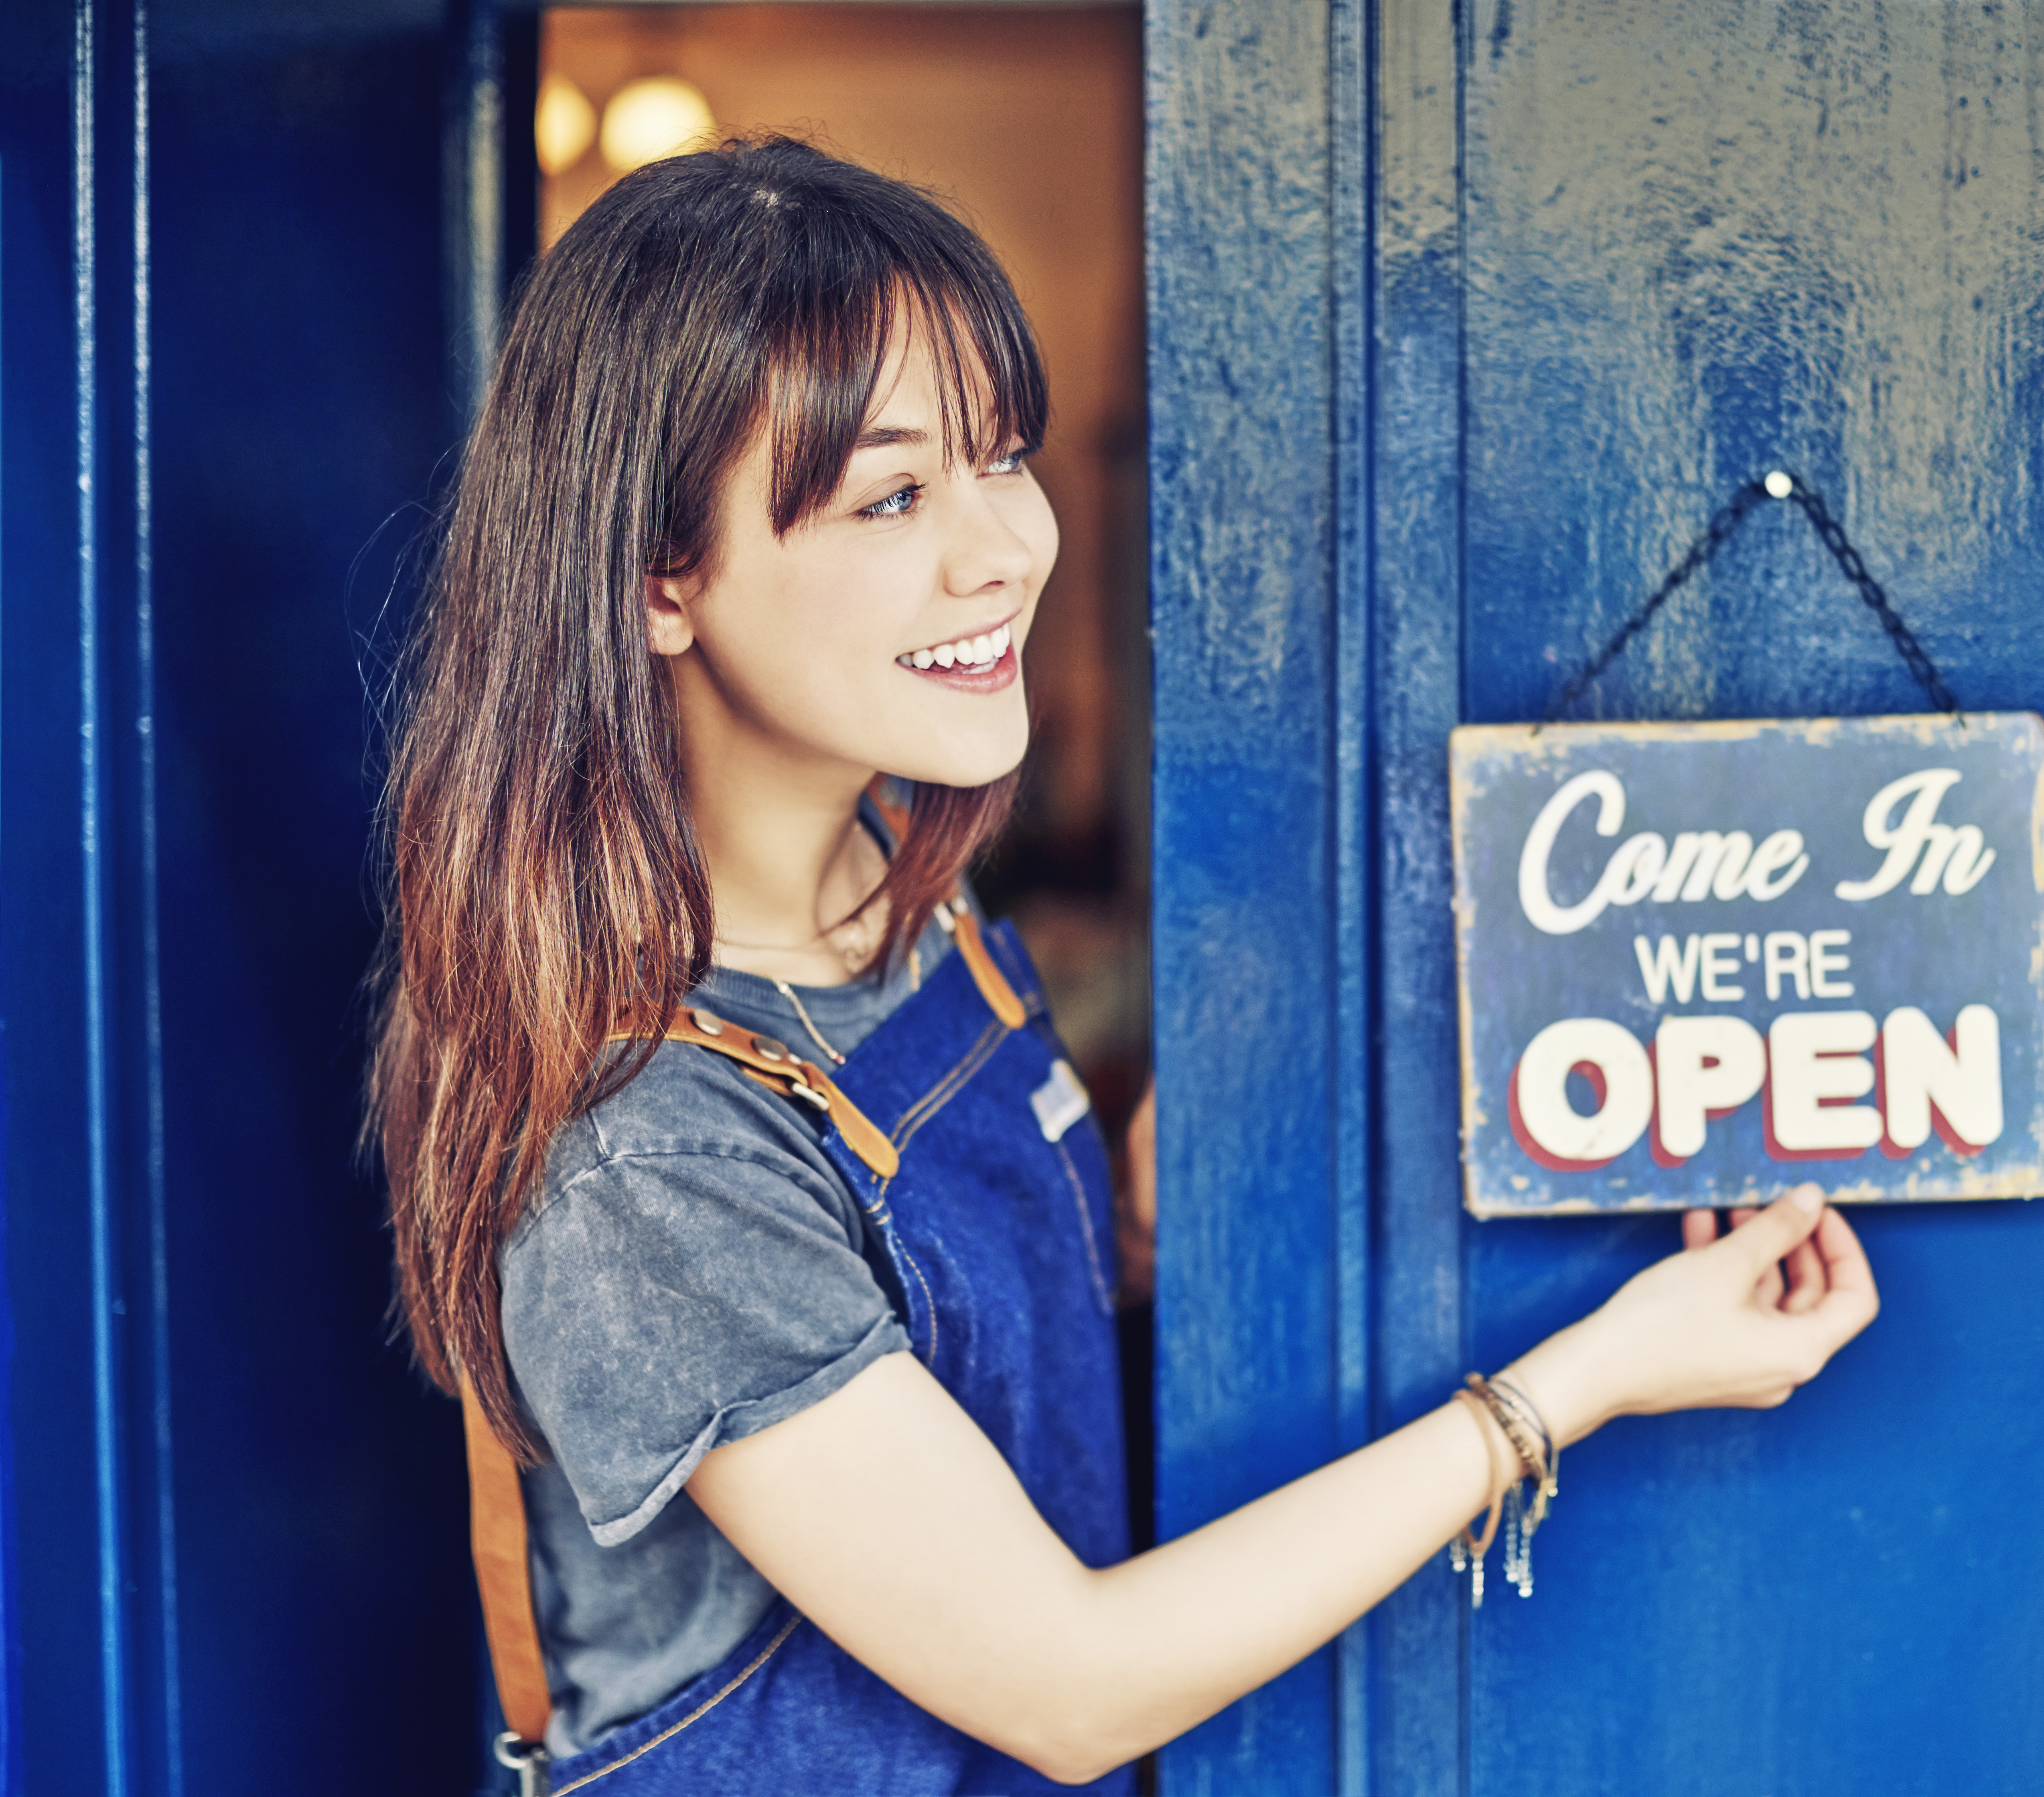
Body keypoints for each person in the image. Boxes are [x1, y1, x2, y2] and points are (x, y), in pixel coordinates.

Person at [373, 135, 1880, 1796]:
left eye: (993, 457)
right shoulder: (643, 1148)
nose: (1004, 548)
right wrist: (1587, 1378)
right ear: (660, 579)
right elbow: (1070, 1687)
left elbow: (952, 1346)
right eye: (891, 495)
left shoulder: (893, 872)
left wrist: (1133, 1224)